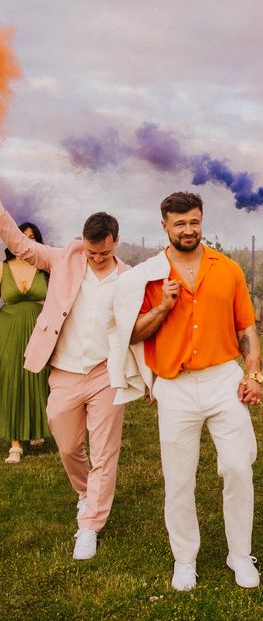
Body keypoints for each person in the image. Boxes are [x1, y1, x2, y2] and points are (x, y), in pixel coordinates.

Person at [124, 192, 262, 591]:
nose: (188, 229)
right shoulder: (148, 276)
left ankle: (240, 553)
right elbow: (132, 333)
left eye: (194, 222)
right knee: (179, 478)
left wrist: (253, 374)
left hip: (223, 380)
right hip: (175, 386)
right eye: (179, 223)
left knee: (238, 466)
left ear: (202, 222)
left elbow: (247, 327)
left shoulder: (228, 269)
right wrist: (163, 308)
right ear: (164, 225)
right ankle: (185, 558)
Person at [0, 196, 128, 557]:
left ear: (114, 241)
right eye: (91, 252)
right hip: (65, 373)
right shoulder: (66, 257)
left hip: (106, 374)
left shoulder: (128, 278)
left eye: (102, 253)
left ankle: (90, 525)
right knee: (69, 445)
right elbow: (21, 245)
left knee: (105, 453)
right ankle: (86, 492)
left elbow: (137, 330)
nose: (95, 258)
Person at [0, 223, 51, 462]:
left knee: (37, 380)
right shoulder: (2, 268)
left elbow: (55, 301)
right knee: (11, 380)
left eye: (32, 237)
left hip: (38, 330)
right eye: (23, 236)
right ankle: (15, 444)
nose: (27, 240)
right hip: (8, 330)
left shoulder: (44, 269)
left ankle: (35, 430)